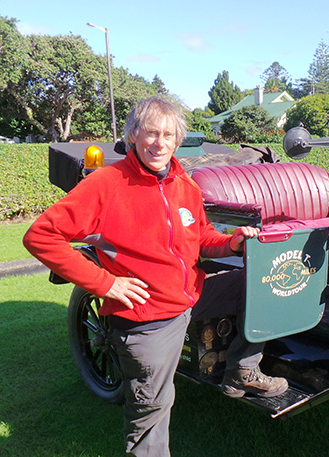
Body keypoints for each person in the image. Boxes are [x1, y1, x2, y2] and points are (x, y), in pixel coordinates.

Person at [23, 96, 287, 457]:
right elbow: (40, 236)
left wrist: (233, 243)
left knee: (258, 284)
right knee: (151, 413)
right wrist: (107, 284)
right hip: (148, 318)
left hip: (189, 297)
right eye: (150, 132)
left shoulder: (184, 184)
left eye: (168, 134)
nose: (159, 143)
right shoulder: (106, 184)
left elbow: (201, 239)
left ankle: (241, 369)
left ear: (178, 140)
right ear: (133, 135)